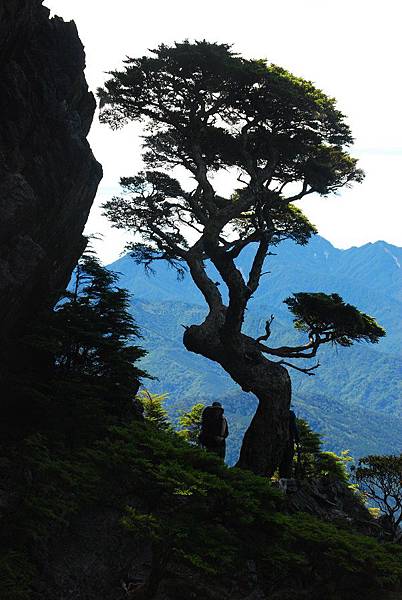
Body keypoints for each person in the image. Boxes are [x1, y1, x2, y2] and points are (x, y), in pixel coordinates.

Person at [279, 408, 300, 479]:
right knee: (287, 460)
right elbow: (294, 427)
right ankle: (285, 477)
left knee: (281, 460)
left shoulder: (276, 412)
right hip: (288, 440)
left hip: (277, 441)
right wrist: (297, 438)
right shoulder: (290, 414)